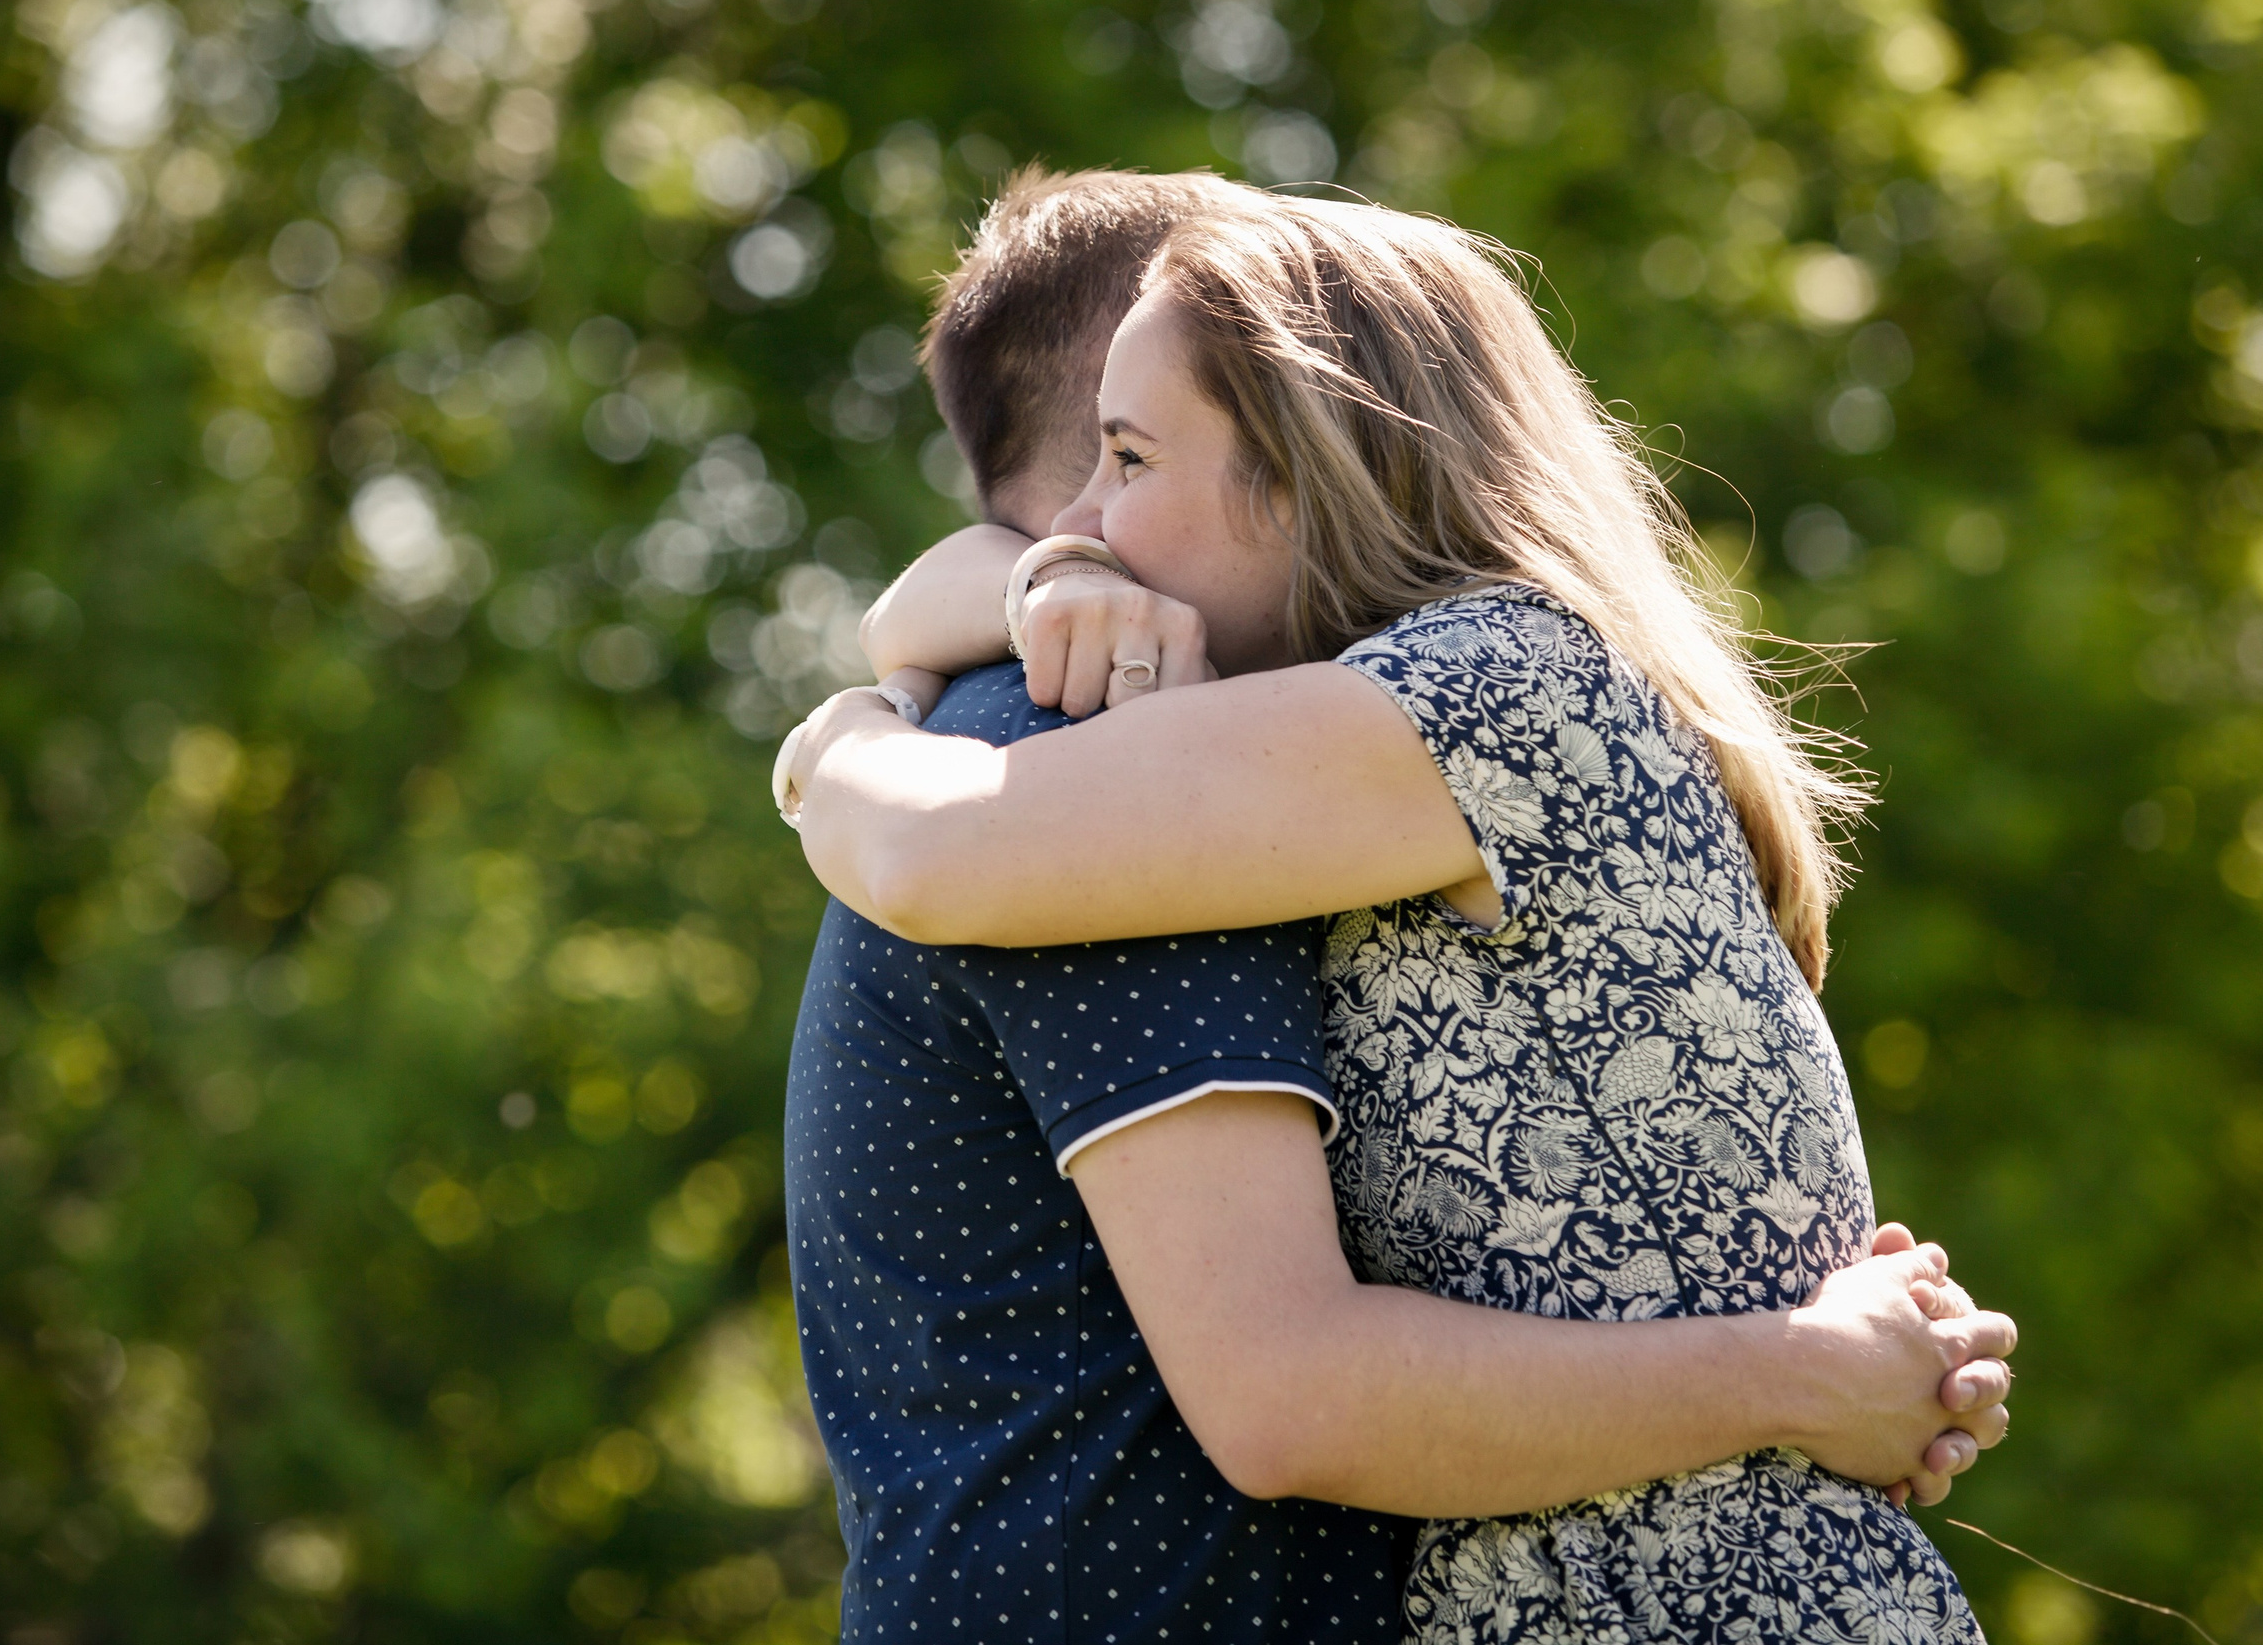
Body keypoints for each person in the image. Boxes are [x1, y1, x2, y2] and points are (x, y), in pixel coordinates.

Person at [783, 189, 2009, 1641]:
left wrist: (836, 747)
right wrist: (1040, 580)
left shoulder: (1492, 696)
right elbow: (947, 598)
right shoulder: (1459, 709)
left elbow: (941, 857)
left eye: (1129, 459)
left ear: (1309, 468)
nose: (1088, 522)